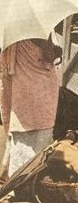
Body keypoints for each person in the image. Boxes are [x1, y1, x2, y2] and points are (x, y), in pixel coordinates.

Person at [0, 37, 61, 177]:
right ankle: (33, 180)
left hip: (23, 92)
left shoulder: (12, 34)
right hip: (40, 90)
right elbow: (51, 55)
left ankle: (17, 180)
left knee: (22, 142)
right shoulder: (43, 31)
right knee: (39, 143)